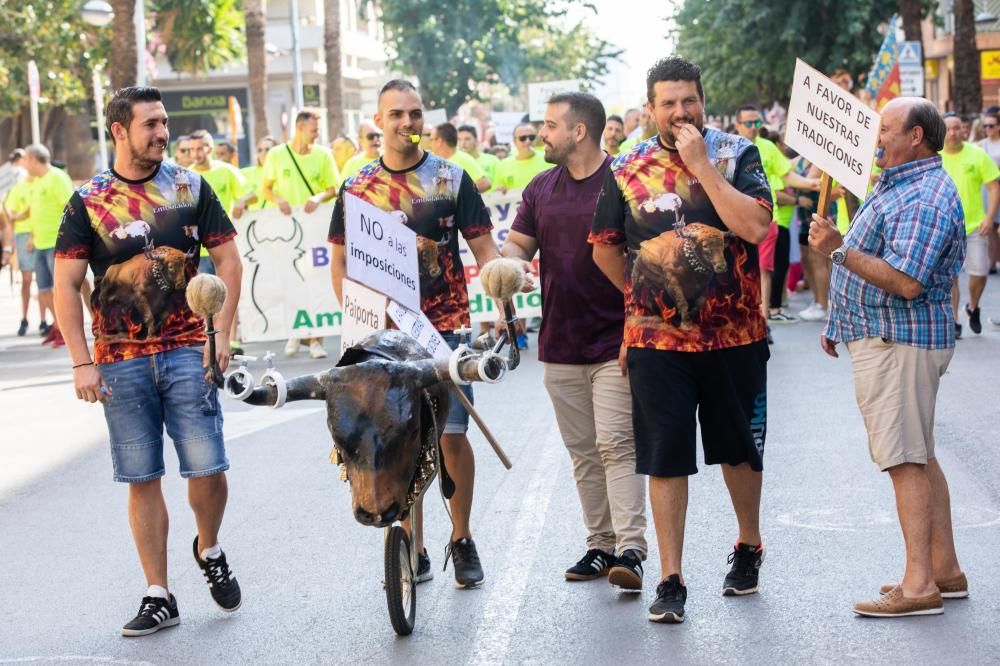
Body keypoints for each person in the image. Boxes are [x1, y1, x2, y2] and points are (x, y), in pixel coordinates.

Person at [53, 85, 244, 636]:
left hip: (189, 349)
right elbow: (67, 285)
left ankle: (208, 548)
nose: (163, 133)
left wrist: (221, 333)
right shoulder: (87, 200)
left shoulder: (190, 186)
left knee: (209, 468)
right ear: (119, 130)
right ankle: (159, 593)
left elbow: (228, 259)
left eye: (164, 123)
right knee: (142, 476)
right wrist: (81, 362)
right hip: (119, 360)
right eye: (151, 124)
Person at [591, 56, 773, 624]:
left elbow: (755, 227)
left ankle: (749, 545)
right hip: (657, 343)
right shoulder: (624, 166)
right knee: (665, 457)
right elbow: (604, 247)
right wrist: (643, 300)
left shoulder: (738, 154)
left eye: (687, 100)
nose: (678, 112)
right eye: (667, 102)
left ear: (702, 100)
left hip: (734, 335)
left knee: (739, 449)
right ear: (650, 108)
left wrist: (702, 166)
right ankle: (670, 578)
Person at [329, 79, 503, 589]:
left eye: (415, 113)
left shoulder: (452, 178)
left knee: (452, 436)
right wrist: (359, 316)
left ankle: (462, 537)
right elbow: (339, 261)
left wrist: (499, 297)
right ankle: (412, 543)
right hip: (384, 339)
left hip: (444, 331)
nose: (407, 122)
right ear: (378, 121)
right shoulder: (357, 186)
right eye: (397, 114)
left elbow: (485, 250)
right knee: (399, 440)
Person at [809, 97, 967, 617]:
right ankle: (943, 569)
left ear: (915, 136)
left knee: (904, 461)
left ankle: (919, 586)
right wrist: (841, 319)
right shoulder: (900, 182)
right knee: (919, 455)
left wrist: (836, 248)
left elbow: (905, 281)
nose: (873, 135)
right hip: (886, 337)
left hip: (899, 342)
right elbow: (872, 258)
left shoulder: (924, 196)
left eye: (884, 128)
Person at [502, 92, 647, 590]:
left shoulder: (624, 180)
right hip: (560, 341)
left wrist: (639, 328)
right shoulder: (541, 187)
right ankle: (600, 546)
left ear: (578, 131)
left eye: (548, 125)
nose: (541, 134)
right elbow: (517, 246)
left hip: (617, 339)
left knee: (615, 444)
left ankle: (632, 549)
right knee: (584, 450)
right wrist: (513, 268)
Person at [262, 109, 340, 359]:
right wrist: (279, 200)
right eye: (314, 130)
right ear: (299, 127)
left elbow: (333, 188)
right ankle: (296, 330)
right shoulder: (276, 155)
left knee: (317, 282)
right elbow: (265, 189)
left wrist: (317, 197)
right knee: (291, 281)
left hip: (316, 229)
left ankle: (316, 340)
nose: (317, 135)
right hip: (288, 232)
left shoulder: (324, 155)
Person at [735, 105, 819, 325]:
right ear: (737, 125)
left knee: (764, 269)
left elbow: (788, 175)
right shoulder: (728, 147)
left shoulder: (768, 147)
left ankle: (762, 320)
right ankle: (743, 315)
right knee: (739, 270)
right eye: (748, 123)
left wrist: (812, 183)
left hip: (766, 219)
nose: (754, 128)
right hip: (736, 221)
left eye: (757, 123)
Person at [939, 113, 999, 337]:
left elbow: (994, 187)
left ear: (964, 130)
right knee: (951, 276)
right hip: (945, 227)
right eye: (949, 129)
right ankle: (954, 321)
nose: (953, 132)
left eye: (957, 128)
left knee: (980, 271)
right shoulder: (934, 157)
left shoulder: (977, 155)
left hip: (974, 225)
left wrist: (989, 217)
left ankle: (973, 307)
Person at [22, 144, 75, 347]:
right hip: (39, 243)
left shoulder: (57, 177)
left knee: (62, 290)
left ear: (34, 159)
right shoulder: (36, 181)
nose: (24, 164)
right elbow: (36, 211)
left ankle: (67, 331)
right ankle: (58, 327)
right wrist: (31, 238)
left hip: (56, 242)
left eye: (26, 159)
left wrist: (69, 238)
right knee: (44, 289)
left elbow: (69, 208)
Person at [188, 129, 250, 275]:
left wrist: (242, 201)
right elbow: (184, 211)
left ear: (210, 149)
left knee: (228, 294)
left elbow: (252, 194)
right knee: (206, 296)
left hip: (226, 247)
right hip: (200, 252)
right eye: (191, 149)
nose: (195, 154)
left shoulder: (227, 171)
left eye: (199, 149)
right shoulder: (186, 176)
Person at [3, 149, 49, 335]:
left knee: (43, 283)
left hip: (39, 236)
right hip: (24, 237)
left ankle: (45, 320)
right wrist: (10, 243)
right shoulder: (18, 187)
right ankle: (24, 319)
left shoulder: (41, 182)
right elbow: (9, 214)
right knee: (27, 280)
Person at [430, 122, 491, 191]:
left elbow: (484, 183)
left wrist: (461, 196)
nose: (430, 143)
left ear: (439, 141)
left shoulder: (463, 159)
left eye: (431, 140)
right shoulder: (433, 160)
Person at [494, 123, 553, 193]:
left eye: (531, 137)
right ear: (514, 141)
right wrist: (499, 190)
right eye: (522, 138)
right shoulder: (503, 165)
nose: (528, 141)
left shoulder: (549, 159)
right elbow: (496, 192)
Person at [976, 109, 1000, 276]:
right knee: (991, 226)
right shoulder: (980, 145)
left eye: (991, 125)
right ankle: (992, 263)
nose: (988, 128)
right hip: (988, 189)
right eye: (985, 126)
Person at [235, 136, 277, 217]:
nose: (263, 153)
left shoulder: (281, 172)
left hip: (278, 220)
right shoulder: (245, 173)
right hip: (255, 223)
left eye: (267, 149)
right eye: (259, 150)